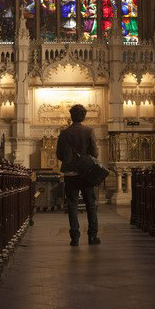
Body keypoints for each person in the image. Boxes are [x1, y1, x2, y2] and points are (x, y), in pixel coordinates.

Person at [56, 104, 101, 246]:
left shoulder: (64, 133)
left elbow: (59, 154)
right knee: (90, 205)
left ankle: (74, 238)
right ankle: (92, 237)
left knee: (72, 205)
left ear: (71, 116)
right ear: (84, 116)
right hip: (86, 174)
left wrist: (71, 162)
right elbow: (94, 153)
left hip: (70, 174)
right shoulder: (89, 131)